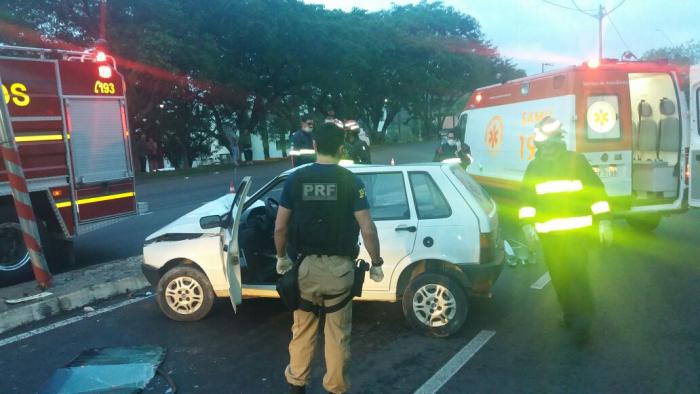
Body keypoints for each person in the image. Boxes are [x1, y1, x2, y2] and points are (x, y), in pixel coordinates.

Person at [274, 121, 384, 393]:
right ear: (341, 147)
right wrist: (377, 263)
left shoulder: (296, 179)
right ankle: (335, 387)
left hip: (305, 269)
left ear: (314, 146)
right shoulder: (351, 181)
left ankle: (297, 385)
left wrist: (281, 258)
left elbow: (280, 227)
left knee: (302, 330)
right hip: (340, 271)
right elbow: (367, 228)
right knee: (336, 335)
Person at [518, 116, 613, 344]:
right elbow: (526, 200)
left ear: (559, 142)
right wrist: (527, 225)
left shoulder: (576, 162)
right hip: (550, 237)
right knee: (559, 278)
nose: (549, 149)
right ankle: (570, 314)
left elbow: (596, 194)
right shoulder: (534, 167)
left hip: (576, 235)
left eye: (552, 144)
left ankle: (584, 321)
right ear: (539, 145)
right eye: (544, 145)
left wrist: (604, 220)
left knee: (578, 275)